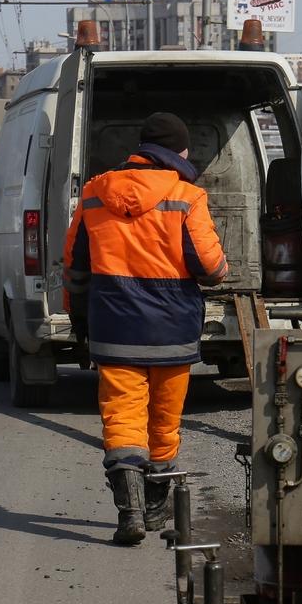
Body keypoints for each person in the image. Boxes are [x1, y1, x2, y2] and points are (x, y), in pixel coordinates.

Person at [63, 112, 228, 545]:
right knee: (164, 423)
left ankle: (129, 513)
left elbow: (75, 266)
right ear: (181, 152)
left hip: (114, 326)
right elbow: (210, 267)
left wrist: (78, 316)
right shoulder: (187, 196)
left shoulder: (96, 193)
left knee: (122, 417)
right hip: (173, 330)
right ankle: (155, 511)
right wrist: (221, 270)